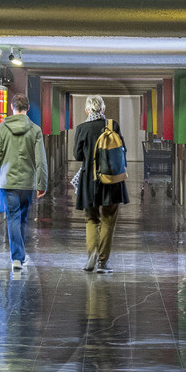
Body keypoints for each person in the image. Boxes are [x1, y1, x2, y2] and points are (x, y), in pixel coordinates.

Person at [0, 91, 47, 272]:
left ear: (12, 108)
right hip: (27, 182)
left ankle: (17, 258)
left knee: (12, 217)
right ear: (27, 109)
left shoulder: (2, 128)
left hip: (8, 181)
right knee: (22, 218)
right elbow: (40, 160)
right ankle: (19, 255)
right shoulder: (35, 130)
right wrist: (42, 183)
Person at [72, 95, 130, 272]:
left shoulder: (82, 128)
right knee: (108, 219)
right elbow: (122, 151)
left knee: (91, 219)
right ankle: (102, 263)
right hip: (111, 180)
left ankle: (92, 254)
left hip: (90, 179)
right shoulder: (113, 126)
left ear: (87, 110)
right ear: (103, 109)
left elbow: (78, 155)